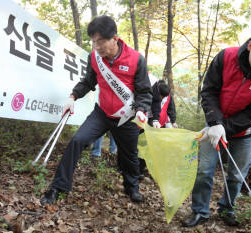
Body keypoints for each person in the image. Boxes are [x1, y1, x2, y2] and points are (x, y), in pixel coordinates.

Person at [182, 25, 251, 227]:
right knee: (204, 170)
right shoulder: (226, 57)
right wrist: (215, 123)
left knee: (236, 175)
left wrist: (224, 127)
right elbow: (209, 91)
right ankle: (200, 211)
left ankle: (227, 208)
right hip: (213, 126)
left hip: (246, 132)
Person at [40, 15, 152, 205]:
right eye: (94, 42)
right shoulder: (94, 58)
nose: (97, 47)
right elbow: (88, 82)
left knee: (130, 156)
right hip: (101, 113)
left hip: (126, 117)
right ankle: (59, 187)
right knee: (77, 141)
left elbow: (144, 91)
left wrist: (141, 109)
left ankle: (131, 188)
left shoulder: (136, 60)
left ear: (115, 39)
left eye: (101, 41)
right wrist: (72, 97)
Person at [138, 80, 177, 178]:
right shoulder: (151, 92)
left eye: (165, 96)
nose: (163, 98)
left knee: (158, 148)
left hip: (161, 125)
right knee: (144, 146)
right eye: (162, 96)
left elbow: (171, 108)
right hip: (147, 122)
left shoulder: (168, 96)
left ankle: (154, 170)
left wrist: (173, 121)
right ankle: (139, 169)